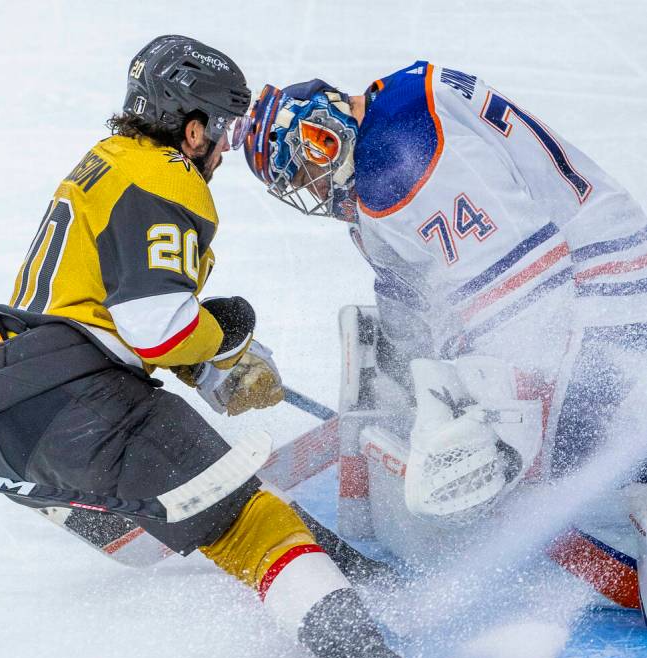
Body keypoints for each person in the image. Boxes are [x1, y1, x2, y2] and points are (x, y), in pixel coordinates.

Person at [0, 37, 458, 658]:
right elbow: (156, 329)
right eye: (217, 130)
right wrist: (224, 334)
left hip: (15, 417)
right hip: (85, 405)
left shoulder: (107, 166)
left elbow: (110, 313)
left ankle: (342, 573)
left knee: (222, 511)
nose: (220, 151)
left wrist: (211, 371)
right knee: (251, 524)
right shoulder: (166, 178)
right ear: (189, 127)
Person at [242, 63, 647, 613]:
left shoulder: (399, 161)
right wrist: (415, 380)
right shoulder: (394, 109)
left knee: (541, 460)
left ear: (322, 131)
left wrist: (499, 412)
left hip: (603, 293)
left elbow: (533, 296)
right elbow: (413, 289)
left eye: (308, 164)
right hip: (596, 267)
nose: (312, 187)